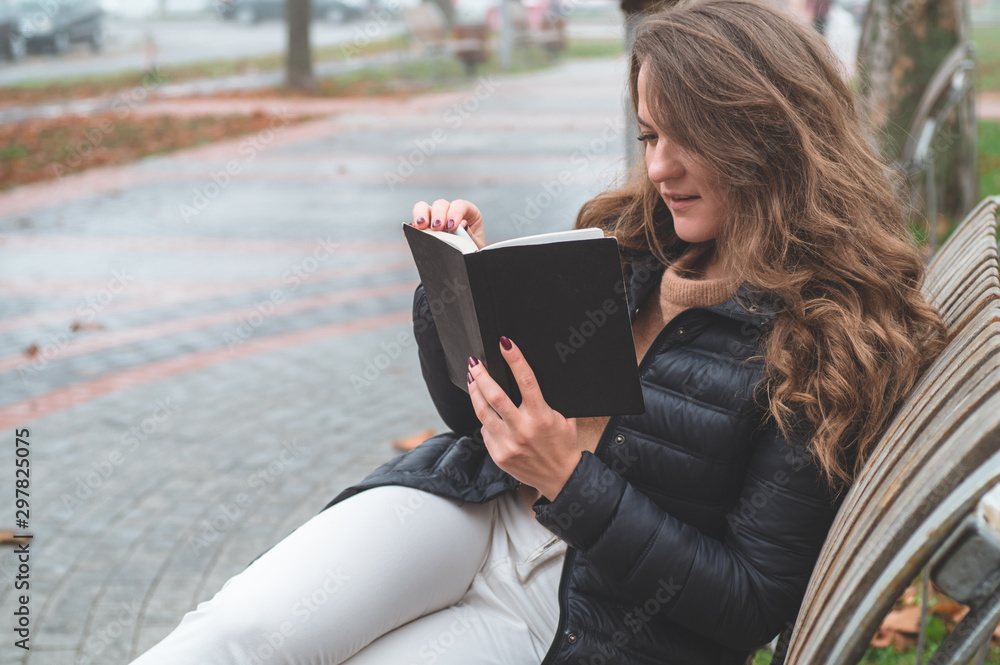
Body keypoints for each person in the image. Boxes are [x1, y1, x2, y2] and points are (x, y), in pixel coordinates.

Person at [129, 0, 948, 663]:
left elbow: (748, 602)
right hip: (470, 504)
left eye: (687, 136)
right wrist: (456, 295)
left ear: (768, 133)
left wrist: (572, 481)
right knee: (235, 635)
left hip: (581, 615)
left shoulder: (823, 342)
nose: (659, 167)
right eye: (650, 135)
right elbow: (471, 417)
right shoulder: (630, 243)